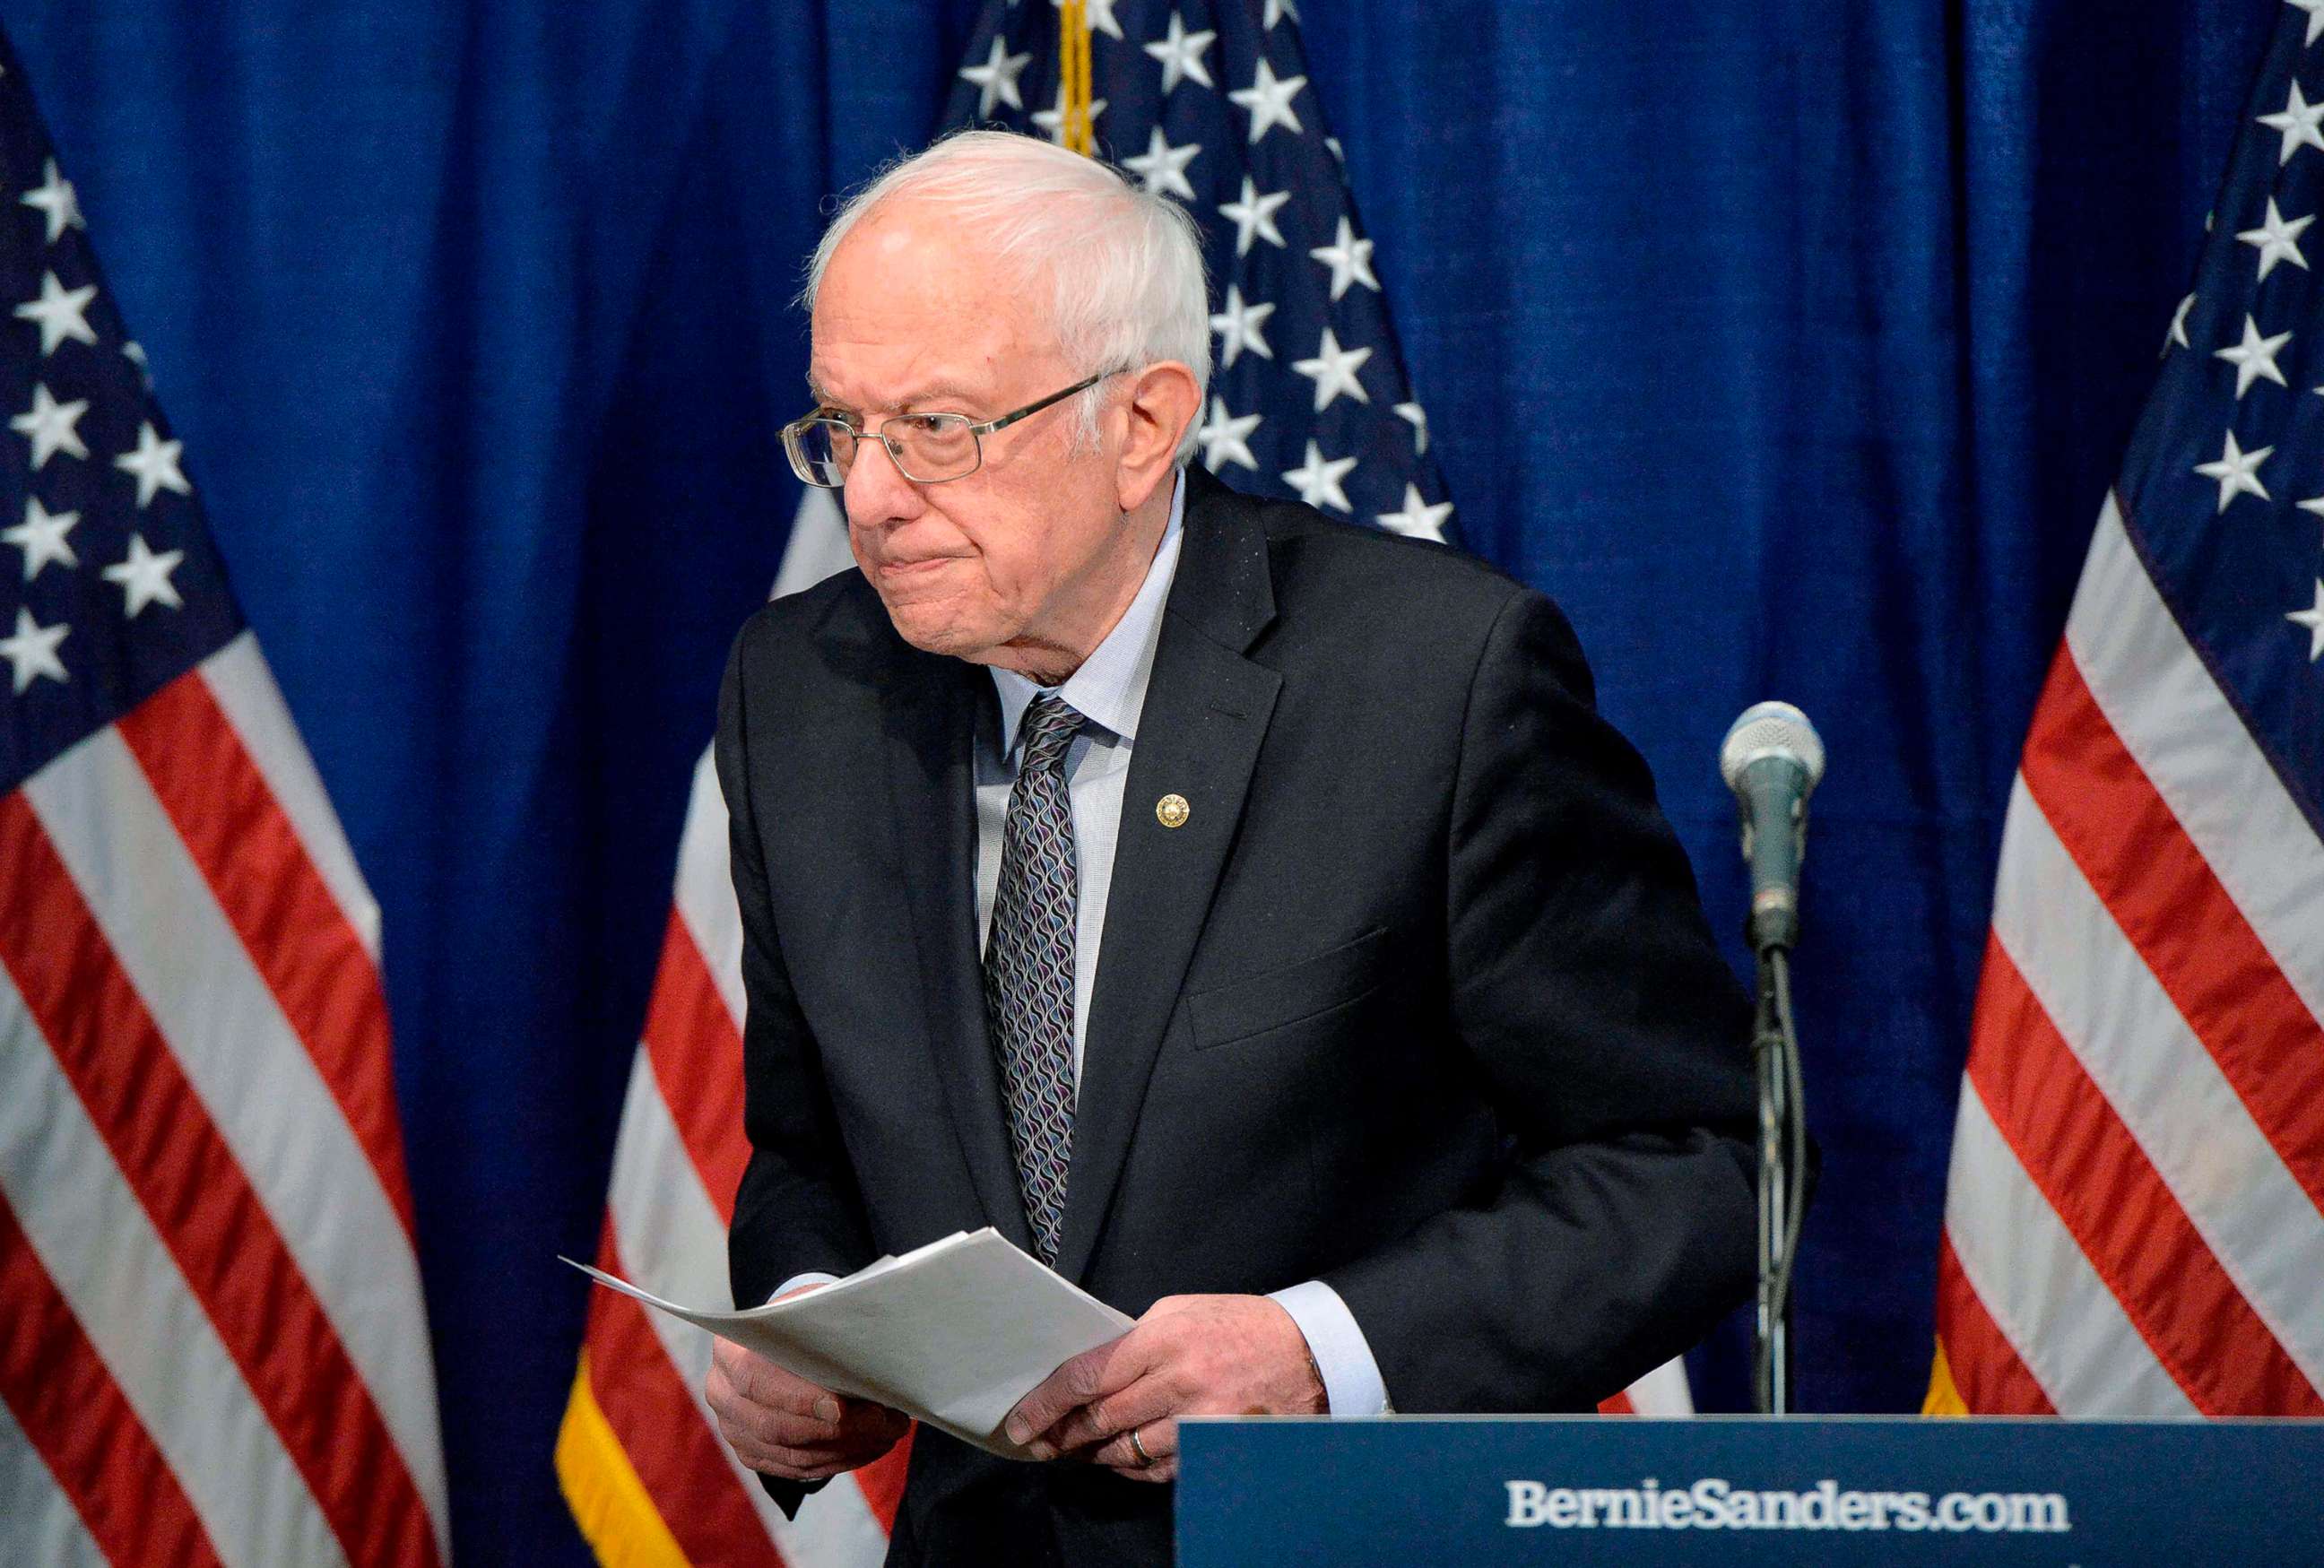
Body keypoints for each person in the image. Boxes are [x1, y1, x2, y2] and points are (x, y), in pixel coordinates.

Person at [705, 128, 1758, 1566]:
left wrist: (1323, 1349)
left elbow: (1692, 1160)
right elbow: (806, 1146)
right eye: (842, 427)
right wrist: (814, 1316)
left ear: (1143, 423)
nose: (872, 498)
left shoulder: (1439, 681)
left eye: (936, 429)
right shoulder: (800, 691)